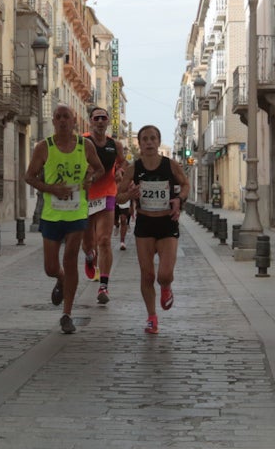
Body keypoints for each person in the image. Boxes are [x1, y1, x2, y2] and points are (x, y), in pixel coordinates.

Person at [25, 102, 103, 334]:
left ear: (74, 122)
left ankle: (67, 314)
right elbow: (29, 177)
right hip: (51, 214)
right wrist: (51, 188)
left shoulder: (84, 146)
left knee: (70, 258)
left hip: (77, 212)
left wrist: (91, 179)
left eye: (66, 117)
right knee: (51, 267)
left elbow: (99, 169)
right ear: (53, 122)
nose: (61, 120)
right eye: (58, 117)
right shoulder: (44, 147)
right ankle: (60, 279)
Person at [116, 124, 188, 335]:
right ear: (140, 143)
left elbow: (185, 185)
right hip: (145, 225)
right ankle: (151, 318)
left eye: (153, 138)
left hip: (167, 223)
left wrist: (178, 200)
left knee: (164, 274)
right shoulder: (133, 169)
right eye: (145, 139)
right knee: (147, 275)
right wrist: (130, 195)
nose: (149, 142)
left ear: (158, 141)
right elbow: (117, 196)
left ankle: (166, 286)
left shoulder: (171, 165)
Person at [79, 107, 127, 305]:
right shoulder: (81, 141)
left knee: (104, 240)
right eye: (96, 118)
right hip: (84, 196)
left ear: (107, 122)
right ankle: (90, 257)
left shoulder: (115, 145)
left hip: (107, 194)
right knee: (88, 244)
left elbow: (123, 163)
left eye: (103, 118)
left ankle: (104, 286)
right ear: (90, 121)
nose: (100, 121)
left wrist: (120, 172)